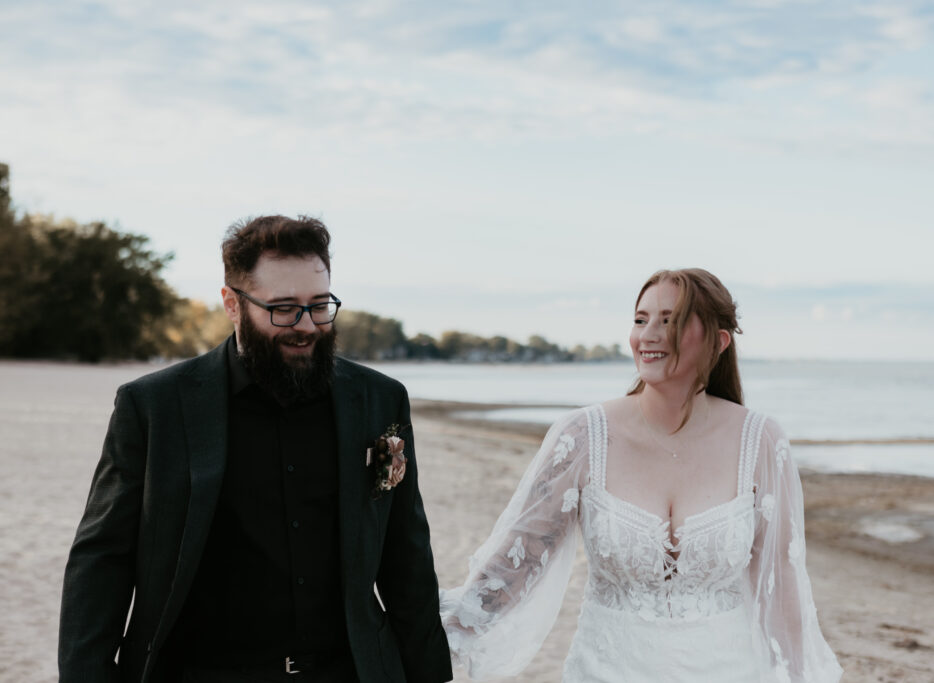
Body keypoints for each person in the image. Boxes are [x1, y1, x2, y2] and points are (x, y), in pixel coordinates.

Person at [59, 215, 452, 683]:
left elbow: (407, 554)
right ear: (232, 303)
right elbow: (103, 556)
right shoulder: (154, 406)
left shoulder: (380, 399)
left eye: (320, 305)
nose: (306, 325)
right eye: (283, 308)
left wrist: (430, 673)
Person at [440, 268, 843, 682]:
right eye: (640, 319)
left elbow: (782, 588)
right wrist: (444, 632)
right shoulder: (582, 436)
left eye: (670, 320)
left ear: (718, 341)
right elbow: (518, 558)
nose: (648, 334)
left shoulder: (759, 441)